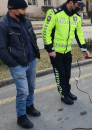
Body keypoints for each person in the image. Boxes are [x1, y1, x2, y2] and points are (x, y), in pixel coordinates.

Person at [0, 0, 41, 129]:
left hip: (31, 60)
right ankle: (21, 116)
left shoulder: (26, 21)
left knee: (31, 87)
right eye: (23, 9)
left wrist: (35, 53)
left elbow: (33, 37)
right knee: (23, 91)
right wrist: (13, 64)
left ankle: (29, 107)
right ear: (13, 9)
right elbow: (1, 49)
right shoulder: (3, 24)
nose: (25, 12)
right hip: (17, 64)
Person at [42, 0, 91, 105]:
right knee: (60, 74)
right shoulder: (54, 13)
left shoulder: (76, 17)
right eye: (78, 5)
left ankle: (67, 92)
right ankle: (63, 94)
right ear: (71, 2)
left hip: (67, 51)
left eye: (81, 6)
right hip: (56, 52)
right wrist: (50, 49)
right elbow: (46, 32)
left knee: (67, 74)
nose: (79, 8)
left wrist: (84, 49)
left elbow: (79, 34)